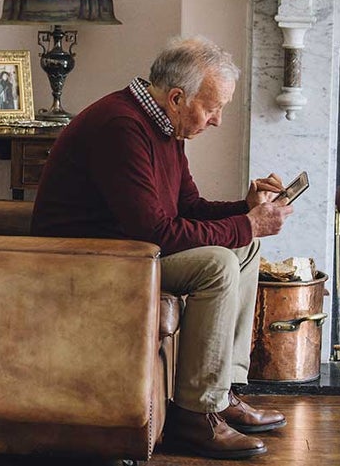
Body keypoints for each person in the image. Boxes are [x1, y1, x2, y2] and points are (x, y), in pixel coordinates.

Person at [31, 35, 294, 460]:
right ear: (177, 97)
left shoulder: (164, 125)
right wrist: (246, 224)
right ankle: (195, 415)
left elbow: (187, 206)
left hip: (128, 249)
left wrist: (245, 210)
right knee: (219, 263)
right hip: (88, 258)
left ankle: (221, 392)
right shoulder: (122, 127)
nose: (217, 120)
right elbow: (156, 231)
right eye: (212, 108)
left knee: (245, 248)